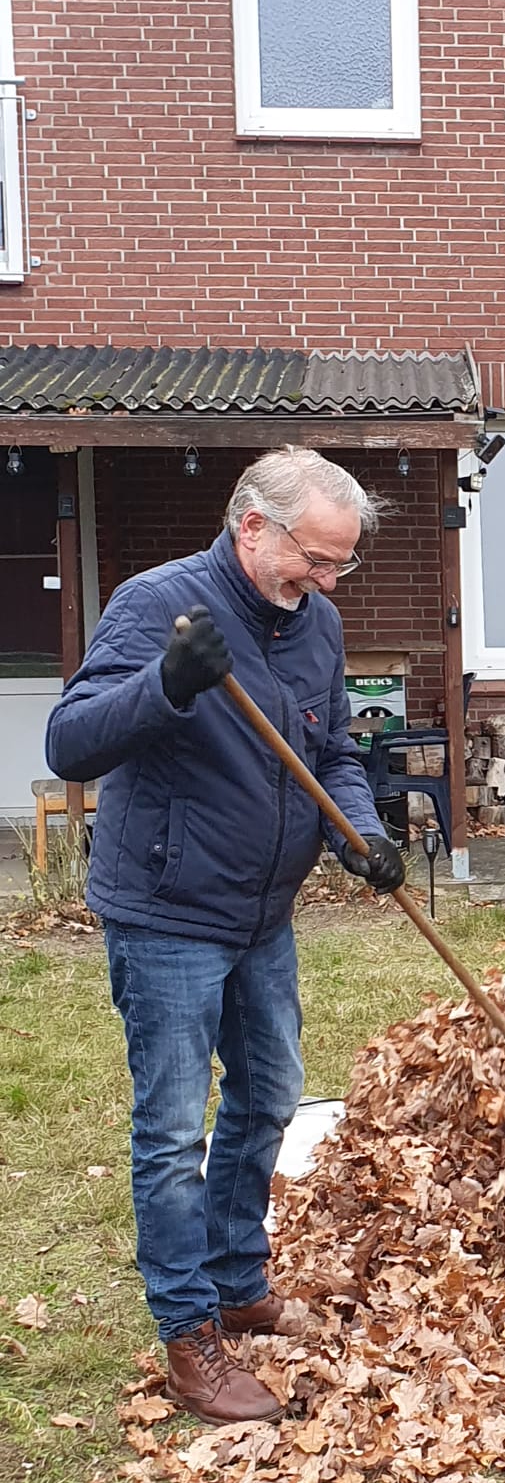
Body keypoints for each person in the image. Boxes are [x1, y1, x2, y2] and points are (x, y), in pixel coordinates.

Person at [46, 447, 408, 1423]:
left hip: (261, 914)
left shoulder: (317, 625)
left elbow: (330, 747)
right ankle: (190, 1338)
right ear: (253, 526)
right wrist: (166, 682)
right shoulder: (159, 607)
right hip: (166, 910)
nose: (328, 583)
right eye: (317, 560)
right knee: (171, 1132)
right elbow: (71, 742)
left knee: (270, 1097)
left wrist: (363, 835)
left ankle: (238, 1280)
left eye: (342, 565)